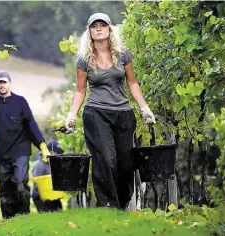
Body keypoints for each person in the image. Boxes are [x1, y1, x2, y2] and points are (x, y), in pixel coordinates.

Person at [64, 13, 156, 210]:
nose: (98, 28)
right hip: (96, 112)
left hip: (123, 113)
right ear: (89, 32)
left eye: (102, 25)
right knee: (106, 158)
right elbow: (80, 90)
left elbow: (132, 82)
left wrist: (144, 107)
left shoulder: (123, 54)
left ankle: (122, 202)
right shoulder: (84, 60)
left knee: (125, 162)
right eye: (94, 26)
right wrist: (71, 114)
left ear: (109, 29)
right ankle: (108, 205)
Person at [0, 70, 51, 219]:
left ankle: (24, 217)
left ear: (10, 83)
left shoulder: (20, 102)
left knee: (20, 182)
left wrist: (43, 146)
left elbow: (31, 125)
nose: (2, 85)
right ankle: (9, 221)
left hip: (20, 150)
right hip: (1, 154)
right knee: (6, 188)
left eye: (4, 82)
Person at [31, 141, 63, 213]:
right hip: (41, 197)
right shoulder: (39, 165)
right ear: (51, 152)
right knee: (46, 214)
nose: (59, 156)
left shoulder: (54, 164)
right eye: (58, 154)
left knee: (59, 212)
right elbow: (37, 182)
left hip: (53, 195)